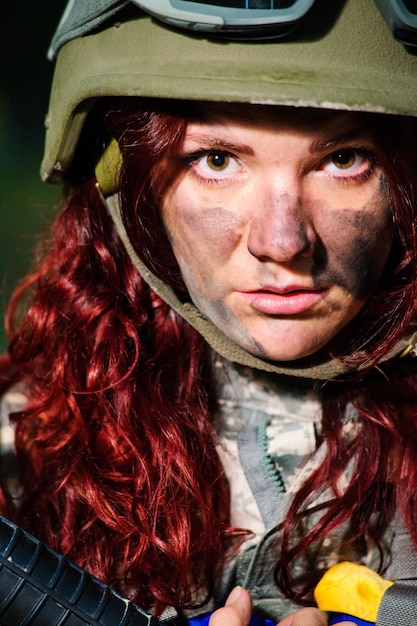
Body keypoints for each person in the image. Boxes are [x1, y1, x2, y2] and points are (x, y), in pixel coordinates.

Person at [1, 1, 417, 624]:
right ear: (127, 185)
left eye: (343, 159)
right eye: (217, 161)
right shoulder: (28, 449)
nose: (282, 242)